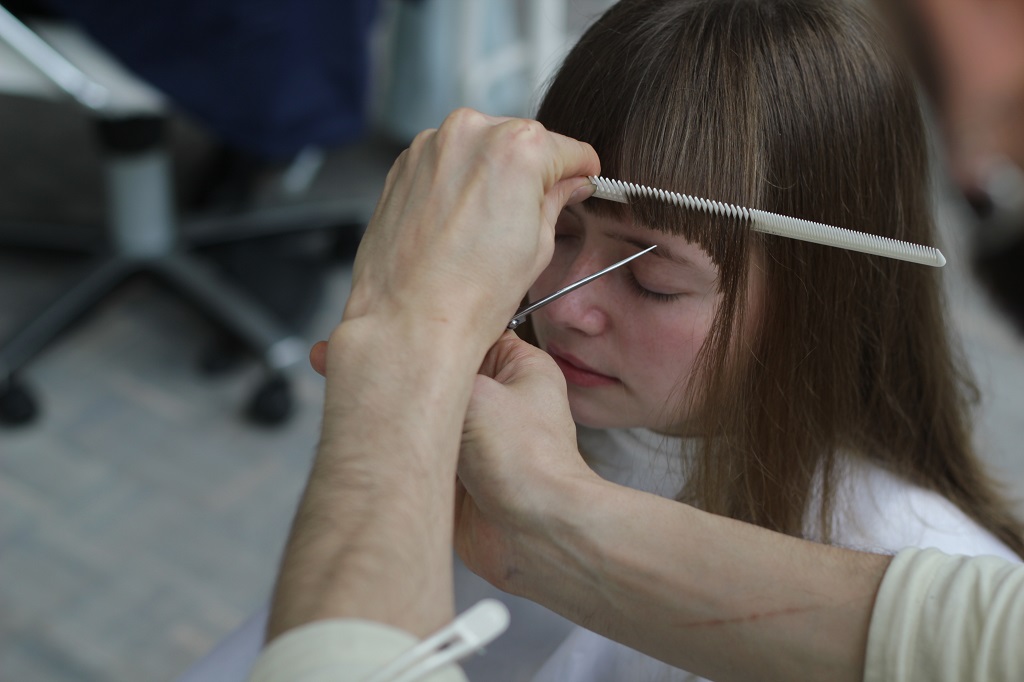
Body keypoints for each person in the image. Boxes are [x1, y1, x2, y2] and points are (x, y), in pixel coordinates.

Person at [242, 1, 1024, 682]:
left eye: (653, 282)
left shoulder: (916, 558)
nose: (567, 304)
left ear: (824, 299)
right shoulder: (501, 432)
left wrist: (398, 374)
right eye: (557, 232)